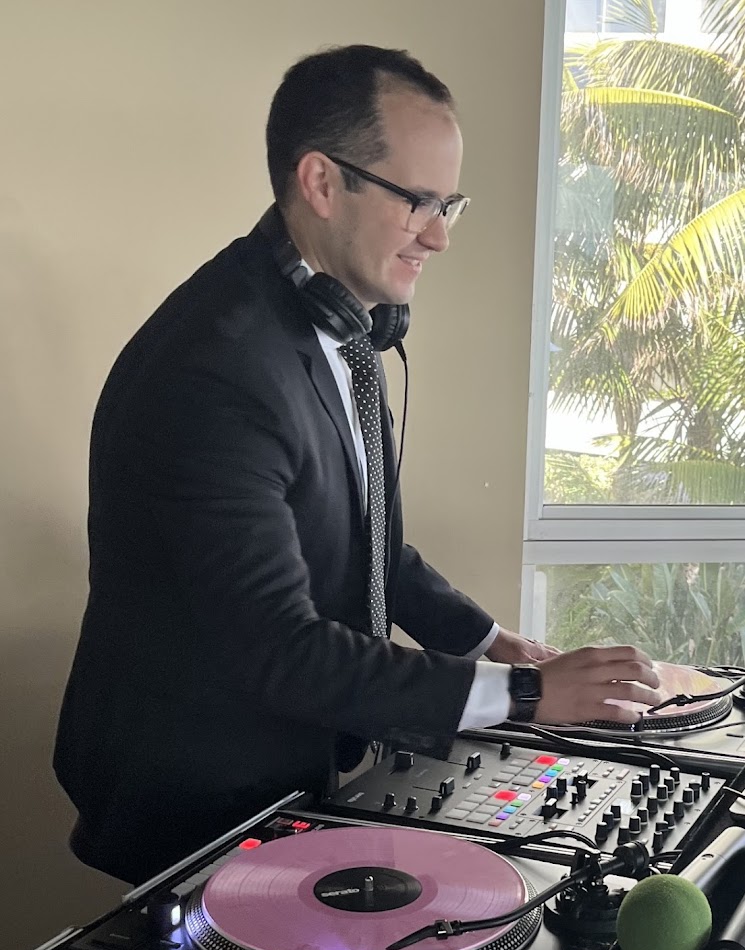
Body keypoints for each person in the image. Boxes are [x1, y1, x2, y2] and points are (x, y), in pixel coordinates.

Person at [53, 44, 661, 885]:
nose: (439, 236)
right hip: (192, 797)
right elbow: (279, 649)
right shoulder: (217, 369)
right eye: (418, 202)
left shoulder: (338, 329)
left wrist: (495, 645)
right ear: (322, 182)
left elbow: (368, 543)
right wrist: (525, 699)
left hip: (289, 765)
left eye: (449, 204)